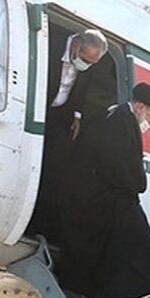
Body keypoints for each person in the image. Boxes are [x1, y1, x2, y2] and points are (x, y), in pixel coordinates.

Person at [56, 81, 150, 298]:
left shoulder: (118, 118)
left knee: (126, 254)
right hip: (97, 204)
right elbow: (127, 176)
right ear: (140, 106)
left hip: (101, 200)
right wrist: (139, 182)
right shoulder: (119, 122)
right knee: (144, 248)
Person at [28, 28, 111, 242]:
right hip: (38, 108)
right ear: (75, 46)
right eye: (85, 60)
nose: (87, 66)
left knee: (53, 168)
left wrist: (77, 115)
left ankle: (40, 225)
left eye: (92, 63)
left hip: (60, 114)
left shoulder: (87, 63)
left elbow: (82, 88)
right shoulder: (49, 42)